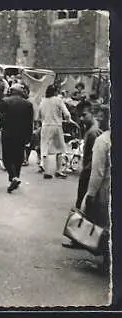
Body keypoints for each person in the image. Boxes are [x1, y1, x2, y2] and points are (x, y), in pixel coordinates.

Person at [62, 105, 102, 249]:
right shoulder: (92, 130)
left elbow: (95, 158)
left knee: (83, 205)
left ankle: (79, 238)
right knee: (83, 205)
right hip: (88, 171)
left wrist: (86, 170)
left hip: (89, 172)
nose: (82, 119)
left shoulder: (94, 132)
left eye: (84, 115)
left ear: (93, 114)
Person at [83, 129, 111, 272]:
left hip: (106, 189)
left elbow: (98, 172)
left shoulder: (103, 140)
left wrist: (91, 194)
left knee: (106, 227)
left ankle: (107, 264)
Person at [0, 84, 34, 193]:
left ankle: (13, 177)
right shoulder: (28, 104)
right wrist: (29, 136)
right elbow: (30, 122)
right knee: (18, 157)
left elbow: (1, 117)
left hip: (8, 134)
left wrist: (0, 128)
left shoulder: (5, 101)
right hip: (22, 135)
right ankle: (16, 176)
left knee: (7, 157)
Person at [38, 85, 76, 179]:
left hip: (46, 125)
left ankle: (46, 171)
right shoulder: (58, 100)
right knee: (60, 148)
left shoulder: (43, 101)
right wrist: (68, 120)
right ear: (55, 92)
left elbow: (39, 115)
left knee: (44, 147)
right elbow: (66, 113)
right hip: (57, 125)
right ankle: (58, 170)